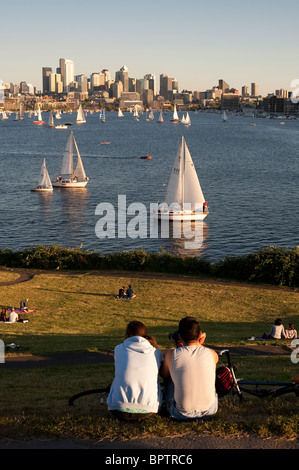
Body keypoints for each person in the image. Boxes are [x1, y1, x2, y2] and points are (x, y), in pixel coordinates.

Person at [160, 316, 218, 422]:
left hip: (180, 414)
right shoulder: (212, 353)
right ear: (200, 335)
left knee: (171, 379)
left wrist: (176, 347)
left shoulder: (171, 355)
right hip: (209, 411)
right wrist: (200, 344)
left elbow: (164, 374)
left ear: (179, 336)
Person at [107, 320, 164, 421]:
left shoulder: (118, 349)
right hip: (149, 410)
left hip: (117, 409)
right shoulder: (155, 352)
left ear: (127, 335)